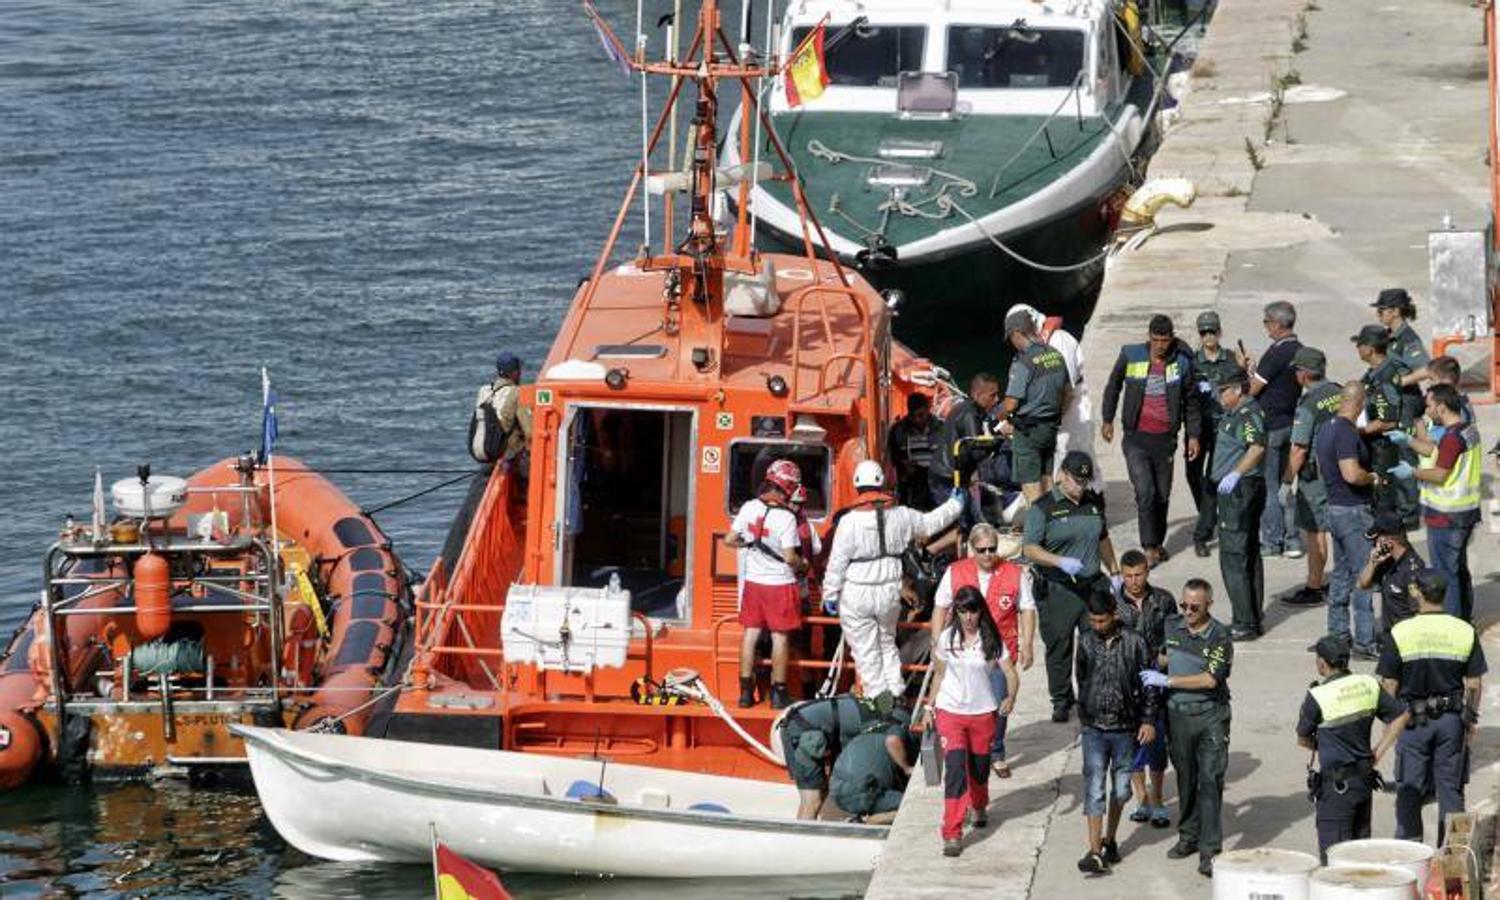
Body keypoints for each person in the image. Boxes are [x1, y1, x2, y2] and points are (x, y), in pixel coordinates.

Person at [824, 460, 963, 698]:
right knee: (887, 644)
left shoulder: (848, 522)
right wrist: (955, 504)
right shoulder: (901, 515)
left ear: (857, 486)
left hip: (857, 593)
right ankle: (896, 694)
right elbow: (930, 523)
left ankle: (878, 703)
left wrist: (830, 594)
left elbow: (837, 563)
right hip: (888, 592)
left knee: (867, 654)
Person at [1376, 569, 1487, 845]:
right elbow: (1474, 683)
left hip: (1412, 721)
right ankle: (1454, 855)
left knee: (1410, 788)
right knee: (1451, 789)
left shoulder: (1401, 632)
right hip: (1452, 722)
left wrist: (1390, 725)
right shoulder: (1463, 630)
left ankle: (1411, 853)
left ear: (1417, 593)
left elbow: (1389, 684)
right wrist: (1470, 720)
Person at [1143, 578, 1232, 878]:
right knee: (1185, 779)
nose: (1188, 611)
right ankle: (1188, 837)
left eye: (1195, 606)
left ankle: (1209, 851)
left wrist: (1168, 681)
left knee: (1209, 781)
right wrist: (1154, 665)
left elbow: (1210, 679)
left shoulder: (1219, 635)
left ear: (1209, 604)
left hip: (1210, 716)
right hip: (1178, 717)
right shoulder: (1172, 626)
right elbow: (1165, 655)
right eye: (1184, 605)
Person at [921, 585, 1018, 857]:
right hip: (950, 711)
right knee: (954, 770)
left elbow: (1010, 672)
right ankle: (951, 832)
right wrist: (929, 707)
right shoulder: (945, 638)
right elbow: (939, 676)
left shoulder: (992, 639)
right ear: (956, 612)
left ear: (980, 611)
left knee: (979, 768)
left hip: (983, 713)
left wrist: (1011, 697)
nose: (968, 617)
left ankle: (979, 804)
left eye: (972, 610)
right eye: (962, 611)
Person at [931, 524, 1035, 777]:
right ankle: (967, 751)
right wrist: (937, 641)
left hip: (999, 650)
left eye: (992, 549)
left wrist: (1028, 644)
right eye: (982, 550)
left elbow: (1027, 608)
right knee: (964, 705)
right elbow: (940, 606)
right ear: (972, 550)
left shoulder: (1014, 573)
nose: (988, 554)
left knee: (999, 704)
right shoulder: (955, 572)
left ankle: (996, 752)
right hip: (962, 651)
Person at [1099, 314, 1202, 566]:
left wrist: (1194, 435)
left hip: (1165, 440)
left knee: (1162, 495)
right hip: (1136, 438)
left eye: (1164, 340)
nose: (1159, 345)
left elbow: (1191, 401)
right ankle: (1148, 548)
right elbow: (1113, 386)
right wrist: (1108, 419)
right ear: (1149, 337)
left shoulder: (1182, 363)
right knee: (1145, 492)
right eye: (1155, 339)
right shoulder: (1131, 355)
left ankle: (1157, 542)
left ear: (1171, 339)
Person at [1296, 635, 1410, 863]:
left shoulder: (1318, 695)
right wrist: (1378, 751)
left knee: (1336, 861)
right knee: (1360, 855)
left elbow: (1302, 738)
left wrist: (1321, 745)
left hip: (1336, 791)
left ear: (1322, 663)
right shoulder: (1367, 684)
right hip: (1363, 783)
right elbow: (1401, 715)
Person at [1023, 451, 1118, 722]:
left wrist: (1115, 571)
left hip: (1091, 587)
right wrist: (1058, 561)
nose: (1080, 486)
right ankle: (1062, 699)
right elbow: (1030, 548)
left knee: (1095, 644)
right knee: (1059, 646)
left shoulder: (1092, 503)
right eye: (1076, 480)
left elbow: (1103, 538)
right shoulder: (1043, 507)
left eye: (1085, 482)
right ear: (1062, 475)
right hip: (1058, 588)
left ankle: (1091, 695)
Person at [1075, 585, 1159, 874]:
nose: (1096, 626)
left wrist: (1148, 720)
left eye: (1102, 620)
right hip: (1094, 728)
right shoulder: (1085, 642)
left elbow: (1150, 684)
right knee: (1095, 787)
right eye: (1092, 621)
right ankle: (1094, 850)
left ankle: (1110, 839)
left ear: (1114, 615)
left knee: (1122, 791)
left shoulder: (1135, 643)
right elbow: (1082, 679)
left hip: (1125, 728)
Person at [1387, 383, 1482, 621]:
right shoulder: (1467, 430)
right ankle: (1464, 619)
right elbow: (1434, 451)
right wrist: (1408, 441)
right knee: (1459, 572)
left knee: (1445, 576)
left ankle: (1452, 625)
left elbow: (1440, 473)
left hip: (1446, 516)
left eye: (1429, 406)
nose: (1426, 411)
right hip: (1466, 513)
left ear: (1441, 407)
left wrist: (1412, 472)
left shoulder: (1451, 438)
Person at [725, 459, 806, 709]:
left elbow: (730, 540)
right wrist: (803, 565)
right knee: (780, 638)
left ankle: (745, 693)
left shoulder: (749, 507)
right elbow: (790, 557)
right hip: (780, 583)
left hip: (753, 582)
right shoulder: (787, 518)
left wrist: (749, 546)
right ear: (788, 485)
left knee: (750, 635)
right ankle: (779, 694)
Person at [1314, 382, 1379, 658]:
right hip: (1353, 511)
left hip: (1335, 508)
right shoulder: (1345, 432)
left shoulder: (1326, 428)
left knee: (1341, 574)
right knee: (1363, 576)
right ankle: (1365, 641)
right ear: (1360, 402)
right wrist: (1372, 477)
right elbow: (1352, 474)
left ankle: (1338, 634)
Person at [1114, 549, 1178, 828]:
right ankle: (1141, 797)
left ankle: (1159, 798)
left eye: (1138, 574)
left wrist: (1165, 658)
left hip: (1160, 679)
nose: (1134, 580)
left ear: (1147, 572)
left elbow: (1176, 635)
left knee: (1158, 741)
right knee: (1132, 741)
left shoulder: (1163, 600)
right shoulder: (1114, 605)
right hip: (1128, 683)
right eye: (1128, 576)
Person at [1009, 304, 1099, 490]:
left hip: (1073, 408)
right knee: (1056, 463)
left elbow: (1066, 388)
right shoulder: (1041, 347)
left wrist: (1050, 417)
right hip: (1055, 409)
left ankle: (1089, 506)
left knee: (1075, 455)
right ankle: (1058, 510)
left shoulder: (1059, 341)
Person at [779, 693, 907, 819]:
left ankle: (802, 832)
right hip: (802, 733)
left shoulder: (866, 705)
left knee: (817, 795)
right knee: (812, 799)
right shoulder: (872, 723)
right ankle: (802, 837)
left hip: (798, 724)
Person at [1210, 367, 1267, 640]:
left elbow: (1256, 447)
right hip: (1238, 489)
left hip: (1239, 491)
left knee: (1234, 557)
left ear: (1238, 391)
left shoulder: (1247, 415)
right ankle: (1252, 616)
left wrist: (1236, 473)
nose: (1219, 395)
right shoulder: (1234, 413)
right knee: (1247, 554)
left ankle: (1244, 621)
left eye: (1223, 391)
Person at [1284, 347, 1342, 607]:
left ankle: (1314, 585)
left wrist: (1286, 481)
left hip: (1315, 476)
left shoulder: (1308, 405)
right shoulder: (1338, 392)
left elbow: (1299, 449)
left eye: (1297, 370)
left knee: (1315, 531)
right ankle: (1343, 577)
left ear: (1305, 374)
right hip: (1341, 469)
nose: (1295, 374)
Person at [1248, 300, 1305, 559]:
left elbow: (1253, 390)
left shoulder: (1276, 353)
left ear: (1277, 324)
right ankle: (1293, 540)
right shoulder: (1300, 351)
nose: (1265, 327)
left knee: (1270, 487)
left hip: (1269, 428)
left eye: (1266, 322)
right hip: (1290, 425)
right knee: (1286, 485)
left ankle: (1271, 542)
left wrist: (1247, 371)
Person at [998, 310, 1071, 503]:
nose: (1012, 343)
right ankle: (1052, 526)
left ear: (1017, 333)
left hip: (1028, 432)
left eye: (1011, 338)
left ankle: (1038, 529)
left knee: (1032, 490)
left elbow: (1012, 403)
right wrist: (1057, 414)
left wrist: (1000, 415)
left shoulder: (1023, 362)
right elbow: (1068, 393)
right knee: (1048, 482)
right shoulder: (1055, 354)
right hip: (1050, 427)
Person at [1354, 324, 1419, 530]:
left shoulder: (1384, 378)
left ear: (1369, 349)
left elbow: (1388, 420)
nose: (1357, 349)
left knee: (1383, 505)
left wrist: (1358, 431)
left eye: (1360, 344)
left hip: (1382, 451)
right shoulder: (1376, 372)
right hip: (1375, 448)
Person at [1188, 311, 1240, 557]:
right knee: (1193, 476)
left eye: (1212, 331)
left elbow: (1246, 387)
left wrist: (1246, 368)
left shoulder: (1231, 359)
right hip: (1197, 428)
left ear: (1219, 332)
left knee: (1212, 480)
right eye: (1204, 332)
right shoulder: (1191, 361)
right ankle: (1207, 517)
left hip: (1223, 428)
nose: (1209, 336)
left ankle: (1203, 532)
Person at [928, 372, 1003, 519]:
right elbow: (976, 451)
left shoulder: (963, 407)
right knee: (957, 523)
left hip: (946, 474)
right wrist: (999, 441)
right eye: (992, 395)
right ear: (978, 394)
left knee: (961, 520)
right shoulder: (970, 415)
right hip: (949, 478)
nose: (997, 399)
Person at [828, 724, 918, 823]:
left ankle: (862, 818)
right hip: (867, 794)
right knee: (915, 804)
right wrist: (907, 768)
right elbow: (893, 739)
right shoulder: (896, 730)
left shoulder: (861, 740)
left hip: (837, 793)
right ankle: (872, 820)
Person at [1357, 511, 1426, 640]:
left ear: (1387, 541)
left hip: (1406, 638)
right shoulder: (1386, 561)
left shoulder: (1412, 569)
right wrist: (1372, 563)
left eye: (1376, 539)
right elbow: (1362, 584)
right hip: (1390, 635)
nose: (1374, 544)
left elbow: (1419, 610)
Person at [468, 352, 532, 467]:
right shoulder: (516, 392)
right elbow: (529, 432)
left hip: (487, 447)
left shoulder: (484, 391)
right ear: (515, 373)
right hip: (507, 453)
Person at [1374, 287, 1433, 396]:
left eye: (1381, 311)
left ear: (1396, 311)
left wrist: (1400, 382)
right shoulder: (1389, 335)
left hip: (1405, 398)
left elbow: (1426, 369)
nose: (1377, 314)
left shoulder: (1407, 339)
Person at [889, 394, 939, 510]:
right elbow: (894, 458)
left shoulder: (941, 428)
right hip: (911, 485)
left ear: (928, 409)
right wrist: (903, 464)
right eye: (913, 416)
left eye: (921, 415)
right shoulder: (898, 430)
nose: (917, 419)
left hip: (935, 482)